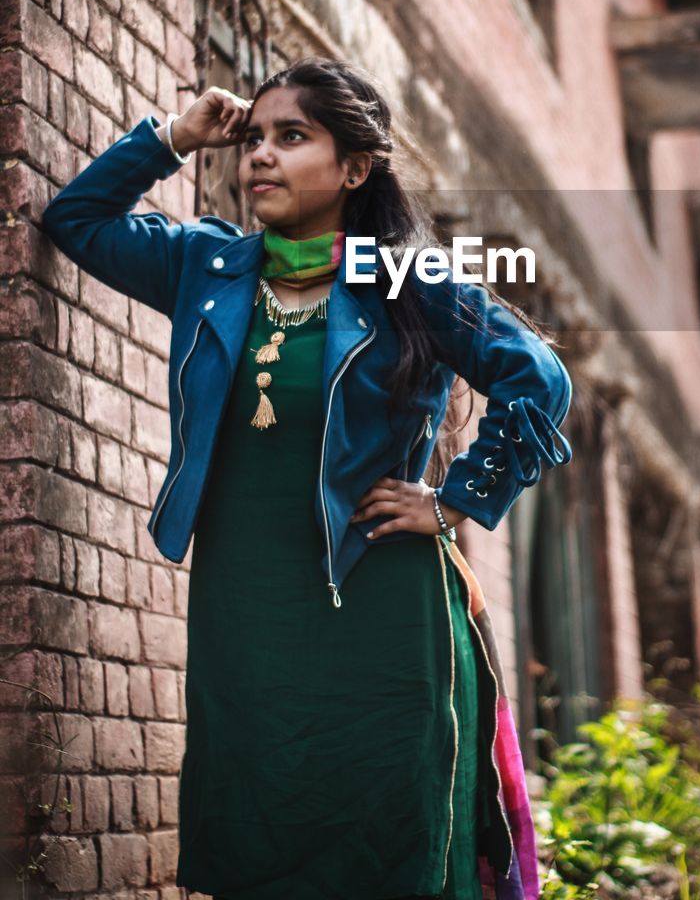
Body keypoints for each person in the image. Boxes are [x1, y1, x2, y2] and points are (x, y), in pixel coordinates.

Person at [41, 56, 573, 900]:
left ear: (355, 167)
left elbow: (538, 378)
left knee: (382, 819)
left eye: (292, 137)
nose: (260, 155)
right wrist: (175, 137)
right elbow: (77, 218)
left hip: (376, 592)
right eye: (254, 138)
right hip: (245, 598)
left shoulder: (407, 279)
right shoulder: (208, 268)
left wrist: (454, 501)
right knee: (259, 810)